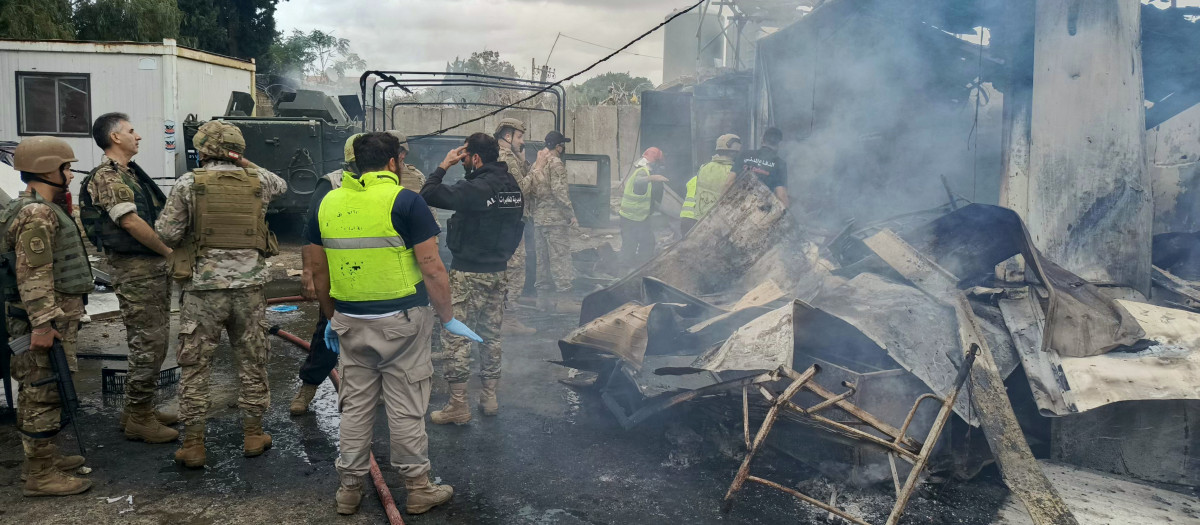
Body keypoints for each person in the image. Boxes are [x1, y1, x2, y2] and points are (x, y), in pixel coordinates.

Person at [310, 132, 475, 515]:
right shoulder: (406, 200)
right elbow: (432, 267)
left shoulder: (328, 201)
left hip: (350, 320)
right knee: (405, 405)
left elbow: (318, 267)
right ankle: (418, 489)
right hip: (401, 321)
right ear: (393, 162)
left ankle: (348, 490)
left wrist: (333, 317)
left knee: (354, 406)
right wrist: (448, 318)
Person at [156, 121, 286, 469]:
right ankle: (254, 434)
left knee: (196, 365)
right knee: (252, 361)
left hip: (203, 291)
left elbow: (167, 233)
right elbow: (282, 183)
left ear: (201, 150)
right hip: (250, 290)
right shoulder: (261, 181)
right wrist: (245, 164)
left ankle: (194, 444)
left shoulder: (188, 183)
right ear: (239, 151)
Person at [290, 130, 427, 417]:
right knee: (328, 334)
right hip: (346, 277)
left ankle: (381, 393)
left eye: (402, 153)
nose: (400, 159)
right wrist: (308, 272)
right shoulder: (333, 183)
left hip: (394, 279)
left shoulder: (412, 179)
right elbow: (311, 234)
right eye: (398, 153)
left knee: (394, 346)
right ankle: (309, 386)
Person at [0, 136, 94, 496]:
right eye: (66, 168)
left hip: (51, 314)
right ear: (48, 170)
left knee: (38, 389)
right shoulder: (36, 213)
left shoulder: (35, 207)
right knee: (43, 391)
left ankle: (41, 460)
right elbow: (33, 273)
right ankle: (40, 475)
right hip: (43, 318)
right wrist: (42, 322)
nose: (70, 174)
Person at [78, 113, 179, 444]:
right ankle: (138, 417)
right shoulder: (108, 177)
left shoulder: (129, 173)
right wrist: (168, 251)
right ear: (115, 138)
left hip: (147, 269)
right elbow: (130, 222)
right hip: (136, 269)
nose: (138, 136)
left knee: (155, 340)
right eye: (131, 131)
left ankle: (140, 409)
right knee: (148, 343)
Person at [420, 133, 525, 424]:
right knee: (491, 336)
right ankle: (489, 398)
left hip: (468, 273)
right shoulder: (512, 187)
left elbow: (428, 193)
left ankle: (458, 406)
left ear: (476, 158)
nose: (463, 162)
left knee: (456, 336)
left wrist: (444, 166)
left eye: (465, 158)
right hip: (499, 273)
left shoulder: (476, 188)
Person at [494, 118, 537, 335]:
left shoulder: (503, 156)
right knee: (516, 270)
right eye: (519, 136)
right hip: (511, 223)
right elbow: (520, 189)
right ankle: (509, 320)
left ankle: (500, 318)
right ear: (508, 136)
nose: (522, 141)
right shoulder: (506, 158)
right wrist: (536, 170)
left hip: (504, 223)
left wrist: (523, 160)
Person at [528, 130, 576, 307]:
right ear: (559, 147)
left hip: (539, 220)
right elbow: (560, 192)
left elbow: (531, 191)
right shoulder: (556, 164)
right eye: (562, 145)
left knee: (543, 261)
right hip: (555, 221)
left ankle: (543, 301)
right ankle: (565, 301)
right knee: (561, 259)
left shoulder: (537, 164)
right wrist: (570, 215)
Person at [618, 147, 670, 269]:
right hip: (634, 218)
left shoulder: (642, 170)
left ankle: (636, 269)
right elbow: (638, 182)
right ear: (654, 161)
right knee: (634, 245)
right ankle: (632, 272)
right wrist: (654, 178)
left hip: (636, 218)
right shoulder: (643, 172)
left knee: (642, 243)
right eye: (658, 163)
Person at [680, 134, 741, 236]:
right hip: (712, 225)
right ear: (734, 152)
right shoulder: (732, 172)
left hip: (693, 220)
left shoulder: (704, 167)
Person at [737, 127, 789, 208]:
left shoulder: (745, 155)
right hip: (760, 213)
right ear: (779, 144)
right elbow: (781, 194)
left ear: (762, 140)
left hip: (735, 205)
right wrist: (785, 212)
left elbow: (729, 181)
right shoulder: (780, 163)